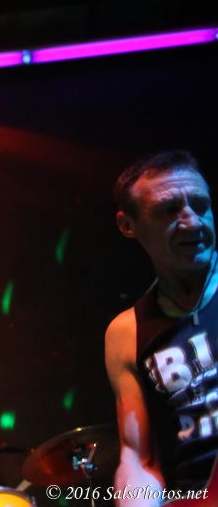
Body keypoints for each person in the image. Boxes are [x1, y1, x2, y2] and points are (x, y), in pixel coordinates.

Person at [105, 150, 218, 506]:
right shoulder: (126, 332)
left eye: (201, 205)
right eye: (169, 210)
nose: (193, 222)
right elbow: (138, 459)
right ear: (128, 225)